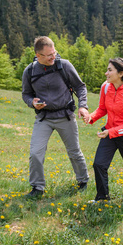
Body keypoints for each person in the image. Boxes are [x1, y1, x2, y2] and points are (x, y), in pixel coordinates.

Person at [21, 36, 89, 198]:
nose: (53, 57)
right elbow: (26, 94)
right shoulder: (29, 71)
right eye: (49, 55)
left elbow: (80, 87)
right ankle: (37, 188)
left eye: (54, 53)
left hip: (65, 116)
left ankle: (83, 181)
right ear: (38, 55)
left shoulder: (64, 66)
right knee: (35, 153)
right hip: (44, 118)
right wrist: (32, 102)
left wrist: (83, 106)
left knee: (74, 152)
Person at [83, 58, 123, 208]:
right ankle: (102, 198)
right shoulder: (106, 87)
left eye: (110, 70)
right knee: (99, 164)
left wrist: (110, 132)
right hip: (110, 134)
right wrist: (91, 117)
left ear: (120, 73)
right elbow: (102, 109)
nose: (106, 73)